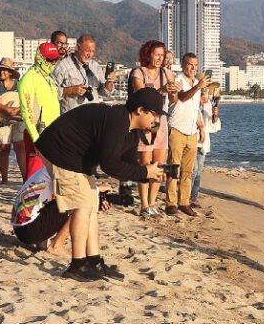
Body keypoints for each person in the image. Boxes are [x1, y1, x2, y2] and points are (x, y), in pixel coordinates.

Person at [34, 87, 165, 282]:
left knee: (92, 204)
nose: (156, 120)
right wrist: (145, 172)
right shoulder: (117, 122)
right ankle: (77, 265)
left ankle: (94, 262)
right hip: (59, 151)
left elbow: (127, 163)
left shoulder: (131, 130)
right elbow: (110, 164)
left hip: (77, 158)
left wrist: (149, 175)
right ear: (140, 110)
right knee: (83, 205)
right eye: (155, 114)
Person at [129, 40, 178, 217]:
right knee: (145, 164)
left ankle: (152, 202)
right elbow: (143, 97)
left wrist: (174, 90)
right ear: (148, 54)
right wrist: (161, 89)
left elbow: (173, 100)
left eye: (162, 55)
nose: (159, 58)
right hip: (144, 124)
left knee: (159, 165)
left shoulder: (168, 73)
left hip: (161, 124)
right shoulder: (139, 73)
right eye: (156, 55)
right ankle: (143, 205)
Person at [165, 53, 208, 216]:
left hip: (192, 131)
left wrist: (201, 127)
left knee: (188, 170)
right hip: (176, 128)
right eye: (190, 64)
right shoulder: (178, 79)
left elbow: (195, 108)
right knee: (173, 168)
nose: (193, 68)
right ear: (183, 65)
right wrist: (197, 88)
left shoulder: (197, 83)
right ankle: (171, 203)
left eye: (195, 65)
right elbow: (181, 97)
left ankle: (184, 202)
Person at [18, 42, 62, 177]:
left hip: (52, 132)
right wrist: (36, 140)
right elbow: (27, 112)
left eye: (56, 59)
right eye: (50, 59)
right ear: (40, 58)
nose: (53, 63)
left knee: (50, 176)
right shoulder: (29, 79)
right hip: (38, 132)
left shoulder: (48, 78)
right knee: (35, 175)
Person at [51, 33, 115, 113]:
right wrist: (70, 90)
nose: (90, 55)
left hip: (93, 116)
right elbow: (50, 91)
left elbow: (105, 93)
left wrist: (109, 82)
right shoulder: (63, 66)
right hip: (71, 117)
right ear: (77, 47)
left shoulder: (95, 66)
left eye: (92, 51)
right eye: (87, 51)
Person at [0, 58, 25, 182]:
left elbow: (26, 99)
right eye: (0, 69)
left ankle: (25, 178)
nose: (1, 72)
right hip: (1, 120)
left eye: (5, 70)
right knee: (3, 149)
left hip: (18, 119)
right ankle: (4, 179)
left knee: (20, 147)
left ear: (11, 73)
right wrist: (7, 110)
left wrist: (18, 110)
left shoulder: (19, 85)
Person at [190, 87, 221, 206]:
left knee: (199, 171)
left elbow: (213, 126)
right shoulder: (192, 104)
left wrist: (215, 115)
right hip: (192, 140)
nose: (205, 97)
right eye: (203, 94)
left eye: (207, 95)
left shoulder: (208, 106)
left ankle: (193, 197)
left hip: (203, 142)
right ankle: (185, 196)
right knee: (193, 169)